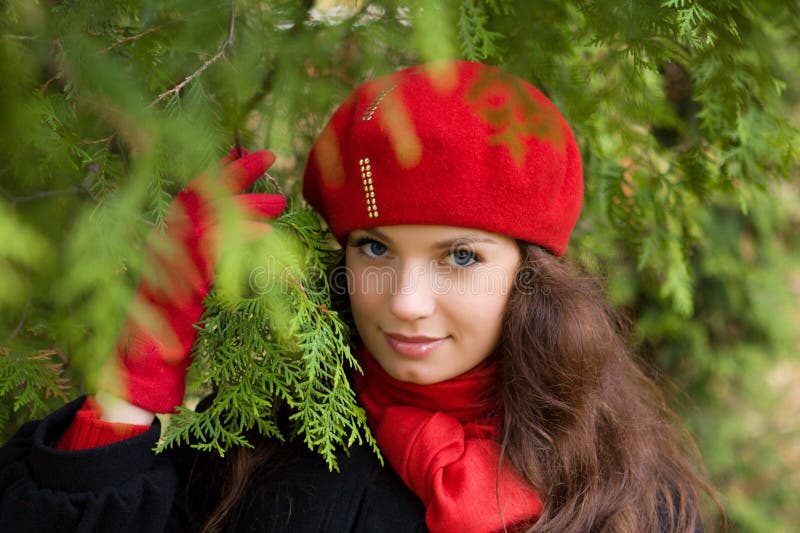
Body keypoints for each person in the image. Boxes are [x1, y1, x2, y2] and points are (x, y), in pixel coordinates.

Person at [0, 60, 717, 532]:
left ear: (531, 278)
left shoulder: (627, 495)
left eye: (460, 256)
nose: (404, 302)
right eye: (374, 247)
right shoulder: (263, 446)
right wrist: (138, 377)